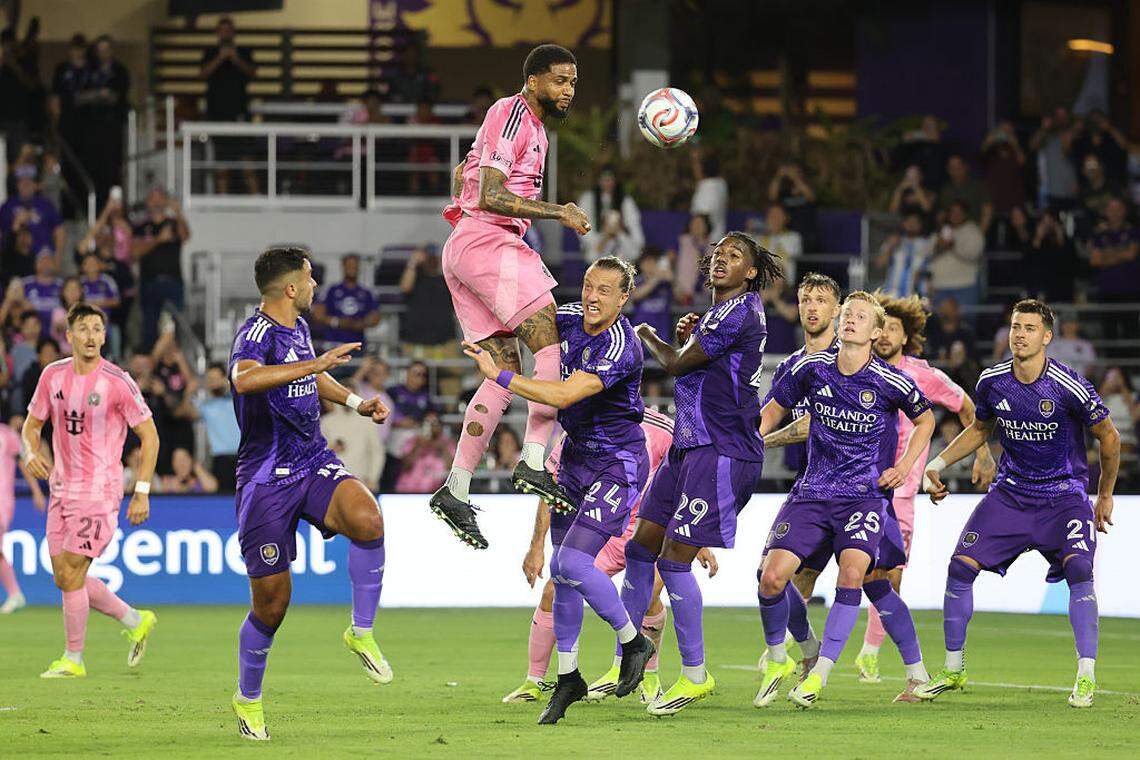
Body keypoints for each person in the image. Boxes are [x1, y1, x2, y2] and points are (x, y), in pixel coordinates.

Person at [463, 257, 656, 724]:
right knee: (561, 575)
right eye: (589, 285)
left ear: (624, 298)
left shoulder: (620, 346)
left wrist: (500, 375)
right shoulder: (566, 318)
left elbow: (565, 396)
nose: (593, 296)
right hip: (573, 463)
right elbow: (517, 320)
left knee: (571, 562)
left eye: (605, 290)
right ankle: (568, 676)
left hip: (617, 465)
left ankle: (634, 642)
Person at [918, 299, 1121, 708]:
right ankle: (954, 668)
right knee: (960, 567)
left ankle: (1086, 675)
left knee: (1080, 569)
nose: (1019, 334)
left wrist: (1104, 495)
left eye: (1029, 328)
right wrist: (936, 464)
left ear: (1047, 337)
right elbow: (980, 429)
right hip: (1010, 496)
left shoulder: (1069, 386)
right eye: (1015, 326)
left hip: (1063, 498)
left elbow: (1110, 436)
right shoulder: (992, 381)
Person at [226, 246, 394, 741]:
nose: (316, 284)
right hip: (265, 481)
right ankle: (248, 698)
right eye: (310, 277)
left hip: (312, 460)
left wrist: (357, 401)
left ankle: (360, 630)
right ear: (291, 288)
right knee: (272, 606)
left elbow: (314, 375)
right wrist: (311, 366)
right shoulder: (255, 333)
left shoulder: (298, 329)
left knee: (368, 519)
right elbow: (244, 378)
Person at [432, 44, 591, 549]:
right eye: (560, 80)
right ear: (533, 80)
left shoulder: (526, 125)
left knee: (501, 374)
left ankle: (455, 487)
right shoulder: (514, 110)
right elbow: (490, 194)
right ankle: (534, 460)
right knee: (549, 345)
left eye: (573, 82)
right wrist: (558, 210)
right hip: (488, 239)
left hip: (467, 246)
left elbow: (470, 173)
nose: (568, 90)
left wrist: (470, 168)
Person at [624, 234, 784, 716]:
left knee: (673, 561)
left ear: (751, 272)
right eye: (718, 254)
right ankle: (627, 659)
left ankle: (695, 675)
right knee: (640, 545)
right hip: (687, 446)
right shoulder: (716, 315)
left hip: (723, 451)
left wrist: (645, 334)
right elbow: (693, 363)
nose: (722, 261)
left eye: (735, 257)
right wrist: (683, 337)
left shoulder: (741, 311)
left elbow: (673, 365)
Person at [757, 292, 936, 709]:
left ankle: (819, 674)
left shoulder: (891, 382)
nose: (851, 320)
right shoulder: (811, 368)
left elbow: (926, 419)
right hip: (812, 493)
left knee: (863, 577)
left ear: (876, 332)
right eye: (848, 315)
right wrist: (751, 440)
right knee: (769, 578)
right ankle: (783, 657)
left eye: (861, 317)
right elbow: (772, 410)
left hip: (864, 497)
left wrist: (907, 465)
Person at [503, 409, 719, 706]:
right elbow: (551, 485)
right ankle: (534, 681)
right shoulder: (581, 427)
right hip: (603, 523)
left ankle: (648, 678)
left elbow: (690, 479)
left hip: (650, 526)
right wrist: (536, 546)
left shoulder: (664, 430)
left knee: (650, 594)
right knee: (555, 588)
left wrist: (696, 536)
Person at [22, 302, 160, 678]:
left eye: (97, 329)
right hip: (60, 490)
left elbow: (149, 436)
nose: (91, 336)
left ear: (104, 335)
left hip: (99, 492)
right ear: (68, 335)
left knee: (70, 573)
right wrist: (30, 450)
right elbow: (31, 426)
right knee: (66, 577)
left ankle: (74, 658)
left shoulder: (117, 381)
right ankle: (135, 619)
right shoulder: (52, 376)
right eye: (83, 329)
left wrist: (142, 490)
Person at [200, 16, 258, 195]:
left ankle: (256, 196)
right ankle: (222, 197)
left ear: (233, 32)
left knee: (246, 156)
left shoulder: (244, 51)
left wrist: (235, 59)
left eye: (228, 30)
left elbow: (253, 73)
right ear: (217, 33)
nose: (225, 33)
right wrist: (220, 58)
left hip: (240, 112)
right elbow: (202, 74)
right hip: (217, 113)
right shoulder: (210, 52)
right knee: (222, 158)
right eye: (222, 30)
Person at [131, 187, 190, 350]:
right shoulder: (141, 226)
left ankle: (174, 362)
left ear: (165, 201)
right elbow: (134, 251)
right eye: (153, 198)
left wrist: (178, 212)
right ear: (147, 202)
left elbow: (186, 236)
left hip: (173, 282)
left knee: (174, 323)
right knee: (149, 325)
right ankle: (149, 360)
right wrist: (158, 239)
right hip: (149, 282)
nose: (156, 202)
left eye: (160, 198)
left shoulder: (173, 223)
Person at [1, 417, 45, 613]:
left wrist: (36, 490)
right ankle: (15, 593)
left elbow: (23, 463)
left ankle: (15, 593)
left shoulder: (8, 435)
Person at [80, 36, 129, 207]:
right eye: (99, 49)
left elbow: (114, 97)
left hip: (112, 127)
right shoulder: (89, 71)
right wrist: (99, 94)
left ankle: (114, 209)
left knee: (112, 170)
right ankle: (93, 207)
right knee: (92, 168)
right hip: (90, 128)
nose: (103, 53)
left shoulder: (120, 71)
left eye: (106, 49)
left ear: (112, 50)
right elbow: (78, 98)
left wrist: (94, 96)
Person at [1088, 197, 1139, 353]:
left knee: (1130, 332)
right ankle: (1113, 371)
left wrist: (1107, 255)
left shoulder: (1133, 232)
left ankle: (1129, 372)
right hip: (1107, 291)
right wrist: (1120, 254)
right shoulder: (1099, 234)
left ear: (1124, 211)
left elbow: (1131, 254)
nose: (1115, 213)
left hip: (1130, 290)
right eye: (1111, 209)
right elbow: (1095, 260)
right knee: (1109, 333)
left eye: (1118, 209)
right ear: (1106, 212)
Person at [397, 246, 458, 364]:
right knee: (415, 378)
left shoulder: (446, 280)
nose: (431, 261)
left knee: (451, 380)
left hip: (444, 343)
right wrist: (413, 263)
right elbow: (405, 287)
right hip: (416, 342)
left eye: (434, 258)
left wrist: (448, 262)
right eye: (428, 258)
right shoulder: (415, 279)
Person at [381, 361, 434, 493]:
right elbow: (380, 412)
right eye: (416, 373)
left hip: (416, 442)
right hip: (393, 440)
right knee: (390, 478)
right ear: (407, 374)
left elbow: (432, 417)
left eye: (423, 375)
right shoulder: (393, 392)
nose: (419, 378)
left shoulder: (426, 397)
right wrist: (397, 423)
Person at [310, 254, 380, 351]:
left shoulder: (367, 292)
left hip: (358, 345)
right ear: (343, 266)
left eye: (355, 265)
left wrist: (361, 323)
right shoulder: (331, 290)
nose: (352, 268)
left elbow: (375, 318)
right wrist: (337, 322)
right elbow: (317, 315)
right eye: (349, 265)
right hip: (333, 345)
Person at [577, 165, 644, 263]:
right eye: (605, 179)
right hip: (597, 251)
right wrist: (605, 236)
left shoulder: (626, 201)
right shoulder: (588, 199)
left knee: (632, 251)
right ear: (599, 180)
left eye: (611, 179)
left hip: (622, 254)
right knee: (592, 254)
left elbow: (638, 242)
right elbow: (583, 229)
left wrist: (619, 230)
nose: (608, 183)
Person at [321, 393, 384, 493]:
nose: (348, 403)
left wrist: (373, 477)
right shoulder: (326, 421)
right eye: (346, 399)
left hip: (361, 479)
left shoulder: (367, 422)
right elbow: (318, 452)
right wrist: (330, 449)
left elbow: (376, 451)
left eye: (351, 399)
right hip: (331, 480)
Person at [0, 164, 63, 261]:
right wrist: (16, 224)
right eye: (22, 181)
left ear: (35, 184)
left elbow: (59, 230)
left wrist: (58, 257)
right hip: (15, 256)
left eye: (29, 181)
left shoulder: (45, 204)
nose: (25, 184)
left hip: (43, 255)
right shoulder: (8, 205)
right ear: (17, 184)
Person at [928, 201, 984, 309]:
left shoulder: (973, 231)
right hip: (939, 286)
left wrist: (953, 245)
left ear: (965, 214)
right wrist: (939, 246)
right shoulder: (940, 230)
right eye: (952, 211)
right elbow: (927, 256)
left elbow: (974, 254)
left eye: (959, 212)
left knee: (966, 324)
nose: (955, 214)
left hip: (965, 286)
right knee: (938, 323)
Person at [194, 362, 241, 492]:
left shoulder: (240, 400)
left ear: (225, 379)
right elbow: (183, 411)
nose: (213, 383)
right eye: (210, 380)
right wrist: (191, 387)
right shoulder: (205, 406)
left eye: (216, 379)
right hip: (222, 462)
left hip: (244, 458)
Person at [1029, 107, 1079, 209]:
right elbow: (1032, 146)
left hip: (1072, 193)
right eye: (1058, 116)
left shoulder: (1077, 136)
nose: (1061, 119)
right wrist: (1044, 128)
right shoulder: (1048, 138)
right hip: (1052, 193)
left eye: (1064, 116)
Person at [395, 411, 454, 494]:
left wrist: (442, 448)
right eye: (427, 423)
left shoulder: (447, 444)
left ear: (440, 426)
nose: (430, 427)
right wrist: (418, 446)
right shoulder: (412, 441)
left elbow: (452, 472)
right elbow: (406, 466)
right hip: (409, 491)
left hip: (437, 494)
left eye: (434, 423)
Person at [876, 212, 933, 298]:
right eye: (909, 222)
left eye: (915, 222)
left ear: (920, 225)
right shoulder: (893, 240)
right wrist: (891, 247)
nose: (912, 225)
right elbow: (879, 264)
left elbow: (930, 271)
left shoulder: (926, 244)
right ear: (903, 224)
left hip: (915, 295)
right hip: (892, 294)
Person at [767, 162, 817, 242]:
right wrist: (779, 176)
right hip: (787, 234)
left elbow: (811, 197)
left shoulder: (806, 188)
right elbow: (772, 196)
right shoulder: (784, 191)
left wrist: (795, 177)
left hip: (806, 233)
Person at [674, 213, 712, 309]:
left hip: (708, 295)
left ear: (707, 226)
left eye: (699, 223)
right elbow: (670, 264)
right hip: (684, 294)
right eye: (693, 223)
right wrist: (675, 287)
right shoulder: (681, 242)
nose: (696, 226)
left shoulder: (715, 246)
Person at [757, 203, 802, 284]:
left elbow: (791, 253)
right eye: (771, 215)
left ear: (786, 218)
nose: (774, 219)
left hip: (784, 281)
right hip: (761, 279)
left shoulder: (793, 237)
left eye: (778, 216)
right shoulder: (759, 237)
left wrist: (774, 233)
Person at [689, 149, 728, 241]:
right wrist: (696, 160)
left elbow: (701, 223)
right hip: (718, 239)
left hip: (706, 243)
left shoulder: (707, 191)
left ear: (703, 170)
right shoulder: (721, 184)